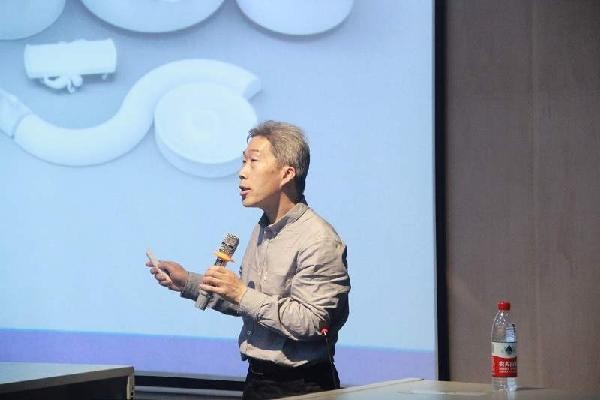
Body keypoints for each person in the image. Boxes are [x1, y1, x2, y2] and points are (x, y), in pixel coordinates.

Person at [146, 120, 350, 400]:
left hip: (303, 385)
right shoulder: (262, 228)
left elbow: (313, 322)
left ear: (287, 174)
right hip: (257, 381)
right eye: (243, 162)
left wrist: (241, 293)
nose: (242, 173)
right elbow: (250, 305)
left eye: (253, 162)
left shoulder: (318, 239)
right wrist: (188, 282)